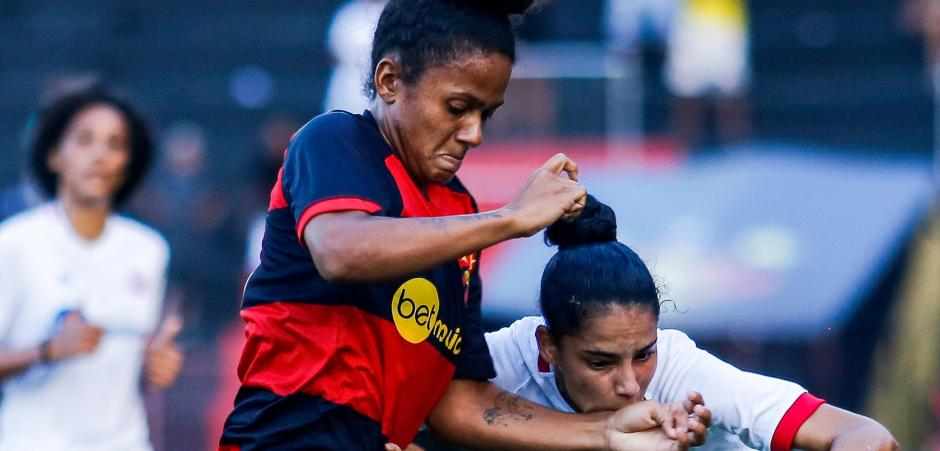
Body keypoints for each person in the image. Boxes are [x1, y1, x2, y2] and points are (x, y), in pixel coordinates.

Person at [219, 1, 702, 450]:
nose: (474, 134)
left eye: (486, 114)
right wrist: (509, 218)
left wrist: (606, 432)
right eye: (457, 108)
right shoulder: (335, 140)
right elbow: (341, 251)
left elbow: (461, 403)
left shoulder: (457, 211)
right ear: (389, 80)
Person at [485, 195, 901, 451]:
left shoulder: (689, 379)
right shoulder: (504, 360)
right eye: (601, 363)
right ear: (548, 346)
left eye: (644, 354)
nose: (630, 385)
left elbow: (868, 436)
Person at [0, 83, 184, 450]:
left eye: (115, 144)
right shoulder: (14, 243)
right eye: (85, 140)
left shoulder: (149, 250)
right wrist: (47, 350)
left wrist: (155, 368)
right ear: (54, 155)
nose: (100, 154)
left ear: (128, 163)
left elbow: (132, 364)